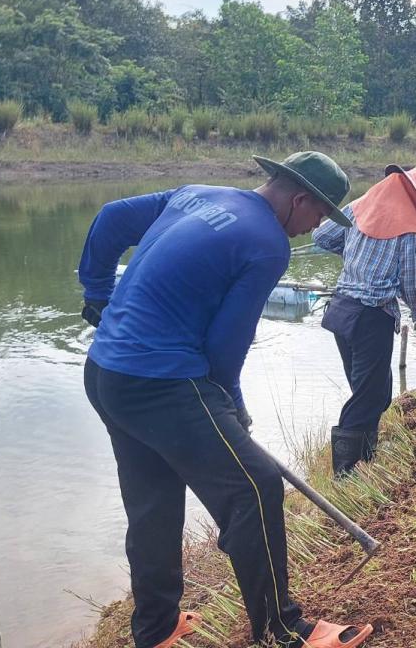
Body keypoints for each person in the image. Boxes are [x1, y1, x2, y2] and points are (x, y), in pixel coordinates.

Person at [77, 152, 373, 648]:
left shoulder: (198, 194)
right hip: (163, 383)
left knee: (153, 502)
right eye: (319, 215)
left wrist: (97, 295)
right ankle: (283, 632)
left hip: (107, 374)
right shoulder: (267, 244)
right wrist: (231, 406)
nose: (313, 227)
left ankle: (155, 629)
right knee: (255, 487)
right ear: (299, 199)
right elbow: (225, 347)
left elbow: (110, 218)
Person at [313, 164, 416, 477]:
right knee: (368, 395)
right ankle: (345, 475)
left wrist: (358, 252)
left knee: (377, 391)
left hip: (342, 313)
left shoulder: (358, 208)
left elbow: (322, 237)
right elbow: (413, 284)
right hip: (371, 318)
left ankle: (367, 457)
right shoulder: (409, 229)